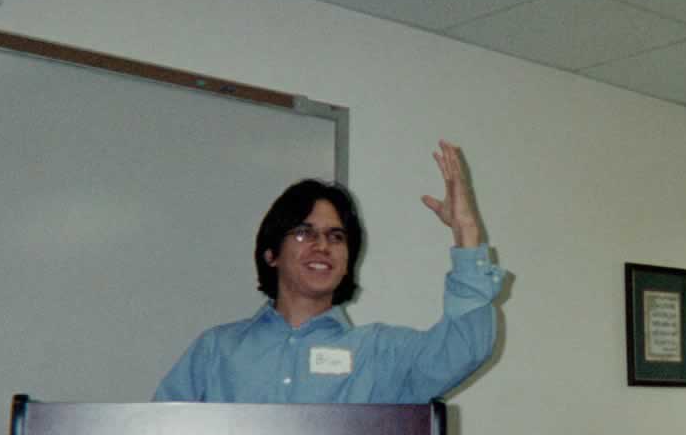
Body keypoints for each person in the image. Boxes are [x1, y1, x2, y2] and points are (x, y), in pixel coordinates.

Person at [153, 141, 503, 404]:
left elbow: (466, 348)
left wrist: (467, 233)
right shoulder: (217, 350)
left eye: (336, 237)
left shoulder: (378, 353)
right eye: (304, 233)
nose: (323, 245)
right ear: (271, 253)